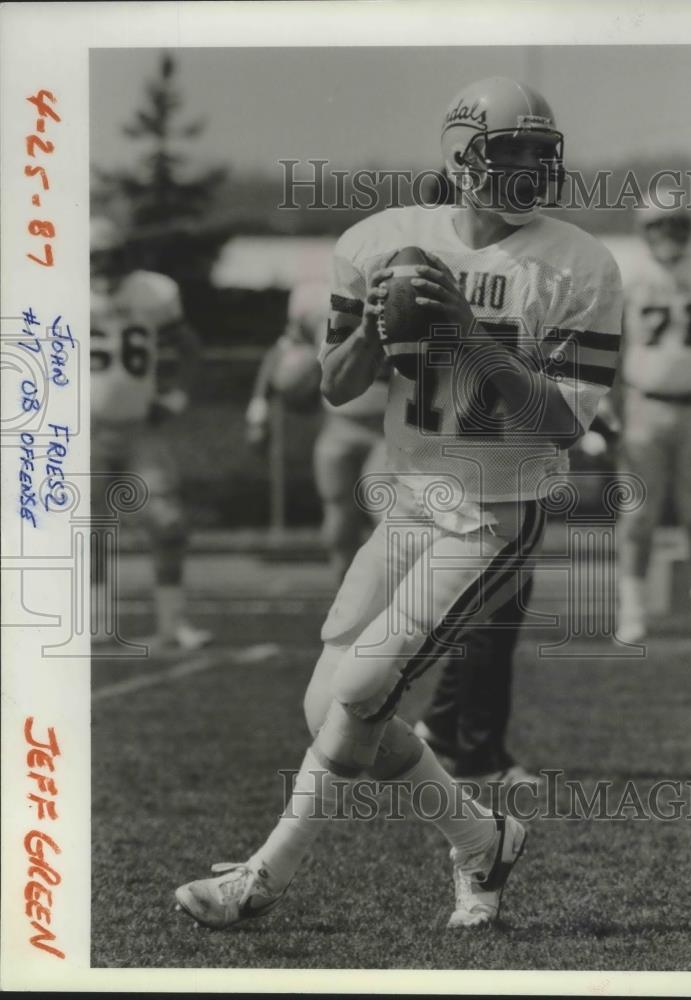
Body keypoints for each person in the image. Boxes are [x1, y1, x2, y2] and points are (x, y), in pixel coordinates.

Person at [175, 76, 622, 930]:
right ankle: (481, 838)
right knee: (333, 710)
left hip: (499, 510)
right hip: (410, 506)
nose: (531, 168)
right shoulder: (382, 241)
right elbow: (336, 390)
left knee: (366, 683)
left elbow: (559, 424)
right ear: (460, 158)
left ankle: (264, 874)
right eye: (510, 151)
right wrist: (379, 329)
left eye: (541, 152)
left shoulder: (578, 265)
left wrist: (466, 335)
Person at [609, 188, 691, 646]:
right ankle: (633, 612)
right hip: (644, 403)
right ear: (644, 230)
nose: (668, 232)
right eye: (658, 224)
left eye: (676, 222)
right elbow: (610, 339)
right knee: (638, 517)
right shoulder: (627, 270)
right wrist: (609, 400)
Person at [90, 216, 212, 652]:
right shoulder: (56, 291)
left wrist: (175, 397)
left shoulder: (153, 291)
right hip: (82, 432)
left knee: (168, 523)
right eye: (92, 259)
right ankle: (98, 623)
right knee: (88, 529)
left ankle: (171, 625)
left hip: (140, 428)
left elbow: (189, 347)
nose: (101, 268)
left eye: (108, 257)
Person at [246, 279, 389, 584]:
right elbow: (279, 353)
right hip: (339, 425)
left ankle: (396, 600)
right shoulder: (320, 305)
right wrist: (258, 410)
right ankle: (345, 598)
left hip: (391, 427)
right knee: (338, 521)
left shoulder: (398, 296)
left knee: (387, 512)